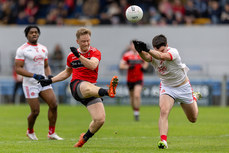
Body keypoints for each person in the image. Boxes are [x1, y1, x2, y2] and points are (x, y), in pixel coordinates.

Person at [38, 27, 119, 148]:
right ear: (77, 42)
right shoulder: (71, 56)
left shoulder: (95, 52)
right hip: (77, 86)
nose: (86, 43)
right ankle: (108, 91)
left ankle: (83, 140)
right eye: (83, 41)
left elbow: (92, 65)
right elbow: (67, 72)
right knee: (86, 86)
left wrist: (80, 56)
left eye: (88, 40)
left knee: (100, 119)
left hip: (91, 88)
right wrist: (50, 80)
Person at [133, 34, 201, 149]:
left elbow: (162, 57)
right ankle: (163, 141)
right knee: (164, 111)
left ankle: (194, 98)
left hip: (183, 87)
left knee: (193, 119)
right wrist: (140, 51)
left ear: (167, 46)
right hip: (167, 87)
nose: (160, 51)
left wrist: (148, 50)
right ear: (154, 48)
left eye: (163, 49)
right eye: (157, 49)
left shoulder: (173, 52)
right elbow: (147, 58)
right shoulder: (153, 53)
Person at [14, 25, 63, 140]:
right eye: (31, 32)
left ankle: (51, 133)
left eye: (36, 32)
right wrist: (34, 75)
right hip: (30, 84)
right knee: (35, 111)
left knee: (54, 105)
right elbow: (18, 69)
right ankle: (30, 131)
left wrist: (49, 75)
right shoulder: (22, 50)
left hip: (43, 83)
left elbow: (46, 66)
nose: (34, 34)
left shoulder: (43, 48)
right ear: (27, 35)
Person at [119, 41, 148, 121]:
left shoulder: (141, 54)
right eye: (133, 45)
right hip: (130, 79)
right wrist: (128, 67)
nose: (134, 47)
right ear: (130, 46)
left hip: (139, 78)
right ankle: (135, 112)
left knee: (137, 95)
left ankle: (137, 113)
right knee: (132, 98)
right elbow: (121, 65)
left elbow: (146, 62)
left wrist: (144, 67)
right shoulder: (127, 55)